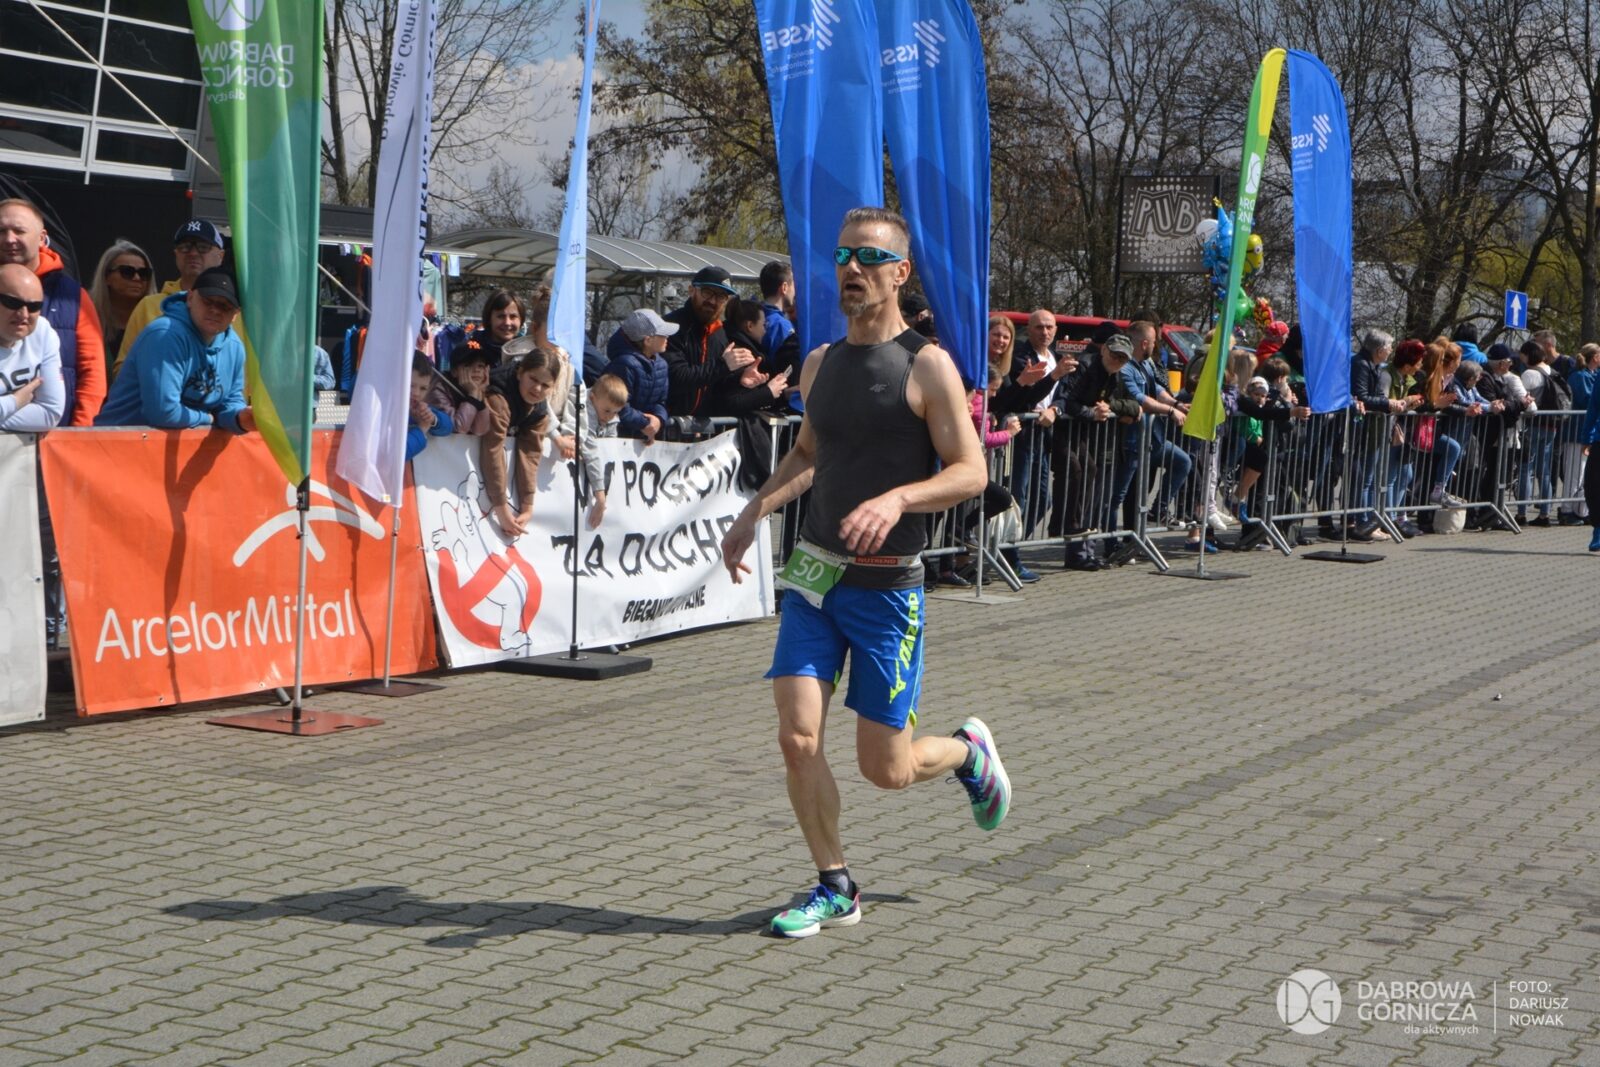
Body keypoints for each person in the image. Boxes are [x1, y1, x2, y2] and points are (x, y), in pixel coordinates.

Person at [718, 207, 1008, 940]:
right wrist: (754, 511)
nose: (852, 268)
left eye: (870, 258)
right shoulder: (819, 363)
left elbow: (971, 471)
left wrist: (898, 497)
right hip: (816, 582)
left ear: (900, 272)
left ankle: (968, 753)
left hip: (886, 592)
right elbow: (808, 454)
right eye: (844, 255)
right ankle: (835, 885)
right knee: (797, 738)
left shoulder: (927, 365)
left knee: (888, 769)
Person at [96, 268, 254, 434]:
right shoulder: (165, 334)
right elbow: (164, 413)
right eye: (208, 301)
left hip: (175, 444)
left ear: (236, 314)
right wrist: (207, 418)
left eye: (225, 306)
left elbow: (231, 401)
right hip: (121, 441)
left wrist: (240, 418)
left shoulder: (234, 346)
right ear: (190, 298)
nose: (215, 310)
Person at [0, 198, 104, 425]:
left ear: (42, 238)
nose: (9, 239)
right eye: (1, 231)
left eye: (19, 231)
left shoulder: (73, 296)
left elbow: (92, 373)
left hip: (53, 436)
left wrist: (79, 433)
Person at [115, 219, 230, 374]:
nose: (193, 253)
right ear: (176, 254)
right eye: (185, 247)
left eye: (203, 247)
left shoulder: (232, 308)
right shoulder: (148, 306)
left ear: (221, 255)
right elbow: (122, 368)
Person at [661, 266, 760, 417]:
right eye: (707, 292)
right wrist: (723, 365)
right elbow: (677, 377)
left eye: (721, 296)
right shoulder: (671, 326)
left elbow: (716, 383)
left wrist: (739, 380)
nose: (713, 301)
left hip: (703, 427)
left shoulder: (719, 333)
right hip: (668, 424)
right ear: (692, 290)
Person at [482, 346, 553, 537]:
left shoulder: (540, 411)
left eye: (545, 385)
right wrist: (501, 509)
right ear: (520, 373)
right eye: (533, 379)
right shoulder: (498, 397)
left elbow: (531, 454)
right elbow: (493, 449)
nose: (537, 389)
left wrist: (527, 506)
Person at [0, 264, 66, 431]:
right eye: (12, 302)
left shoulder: (43, 332)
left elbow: (50, 413)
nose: (23, 314)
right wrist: (15, 401)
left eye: (34, 306)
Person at [602, 309, 674, 442]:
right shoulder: (624, 365)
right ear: (648, 340)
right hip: (620, 438)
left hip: (643, 437)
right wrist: (645, 423)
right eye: (662, 334)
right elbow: (618, 405)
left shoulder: (661, 364)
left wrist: (659, 419)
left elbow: (661, 401)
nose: (667, 337)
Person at [88, 239, 155, 361]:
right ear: (106, 277)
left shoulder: (158, 317)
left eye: (143, 273)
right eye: (127, 272)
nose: (137, 278)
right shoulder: (87, 316)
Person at [581, 373, 629, 529]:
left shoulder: (611, 416)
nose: (610, 417)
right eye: (607, 411)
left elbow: (609, 452)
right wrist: (600, 496)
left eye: (616, 412)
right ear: (592, 398)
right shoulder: (584, 412)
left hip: (594, 478)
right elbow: (591, 452)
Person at [406, 352, 454, 459]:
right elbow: (397, 454)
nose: (416, 393)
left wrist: (432, 419)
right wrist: (422, 428)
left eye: (423, 388)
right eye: (410, 385)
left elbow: (448, 426)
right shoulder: (382, 412)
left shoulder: (416, 409)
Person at [445, 344, 494, 435]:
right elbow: (457, 428)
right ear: (454, 371)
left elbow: (480, 430)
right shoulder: (440, 387)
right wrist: (472, 396)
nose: (477, 370)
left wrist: (477, 396)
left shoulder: (479, 390)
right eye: (469, 365)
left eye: (481, 366)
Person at [758, 260, 795, 360]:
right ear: (784, 287)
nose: (795, 292)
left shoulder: (753, 317)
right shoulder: (781, 326)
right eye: (794, 285)